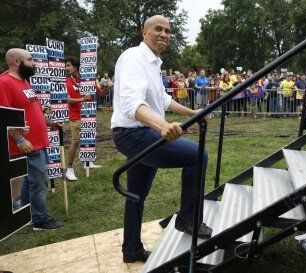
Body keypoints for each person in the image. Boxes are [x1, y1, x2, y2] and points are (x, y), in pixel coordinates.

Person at [111, 15, 212, 264]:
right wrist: (163, 126)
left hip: (139, 133)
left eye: (167, 30)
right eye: (158, 29)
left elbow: (163, 100)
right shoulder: (134, 57)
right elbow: (132, 104)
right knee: (197, 155)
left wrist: (191, 113)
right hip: (134, 134)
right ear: (144, 32)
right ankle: (188, 219)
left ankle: (131, 249)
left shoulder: (154, 63)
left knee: (135, 195)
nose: (164, 34)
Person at [0, 48, 64, 230]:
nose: (34, 63)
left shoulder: (24, 80)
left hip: (38, 141)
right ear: (16, 62)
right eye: (30, 59)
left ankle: (28, 215)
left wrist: (49, 122)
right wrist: (19, 139)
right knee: (40, 182)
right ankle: (40, 220)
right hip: (28, 144)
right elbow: (5, 116)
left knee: (31, 181)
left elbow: (31, 108)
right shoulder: (5, 82)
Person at [65, 57, 100, 181]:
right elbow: (68, 100)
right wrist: (82, 99)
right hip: (75, 116)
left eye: (69, 65)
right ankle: (69, 169)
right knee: (75, 141)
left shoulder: (87, 79)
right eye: (66, 65)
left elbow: (100, 93)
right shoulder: (68, 81)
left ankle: (87, 161)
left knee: (88, 137)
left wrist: (106, 86)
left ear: (75, 66)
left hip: (88, 114)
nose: (66, 68)